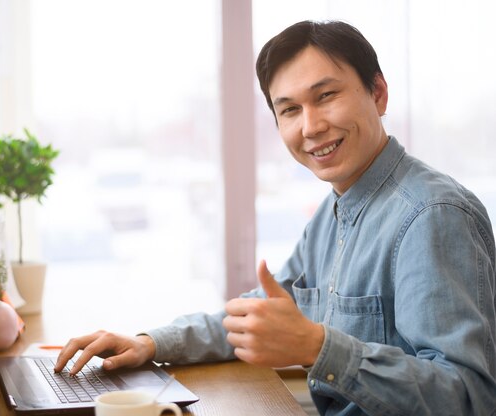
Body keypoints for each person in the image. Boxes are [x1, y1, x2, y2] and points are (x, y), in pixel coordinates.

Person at [55, 20, 496, 415]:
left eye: (326, 96)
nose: (310, 126)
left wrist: (317, 347)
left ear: (378, 94)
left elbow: (469, 398)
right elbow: (262, 315)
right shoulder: (335, 210)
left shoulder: (431, 216)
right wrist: (149, 343)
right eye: (289, 110)